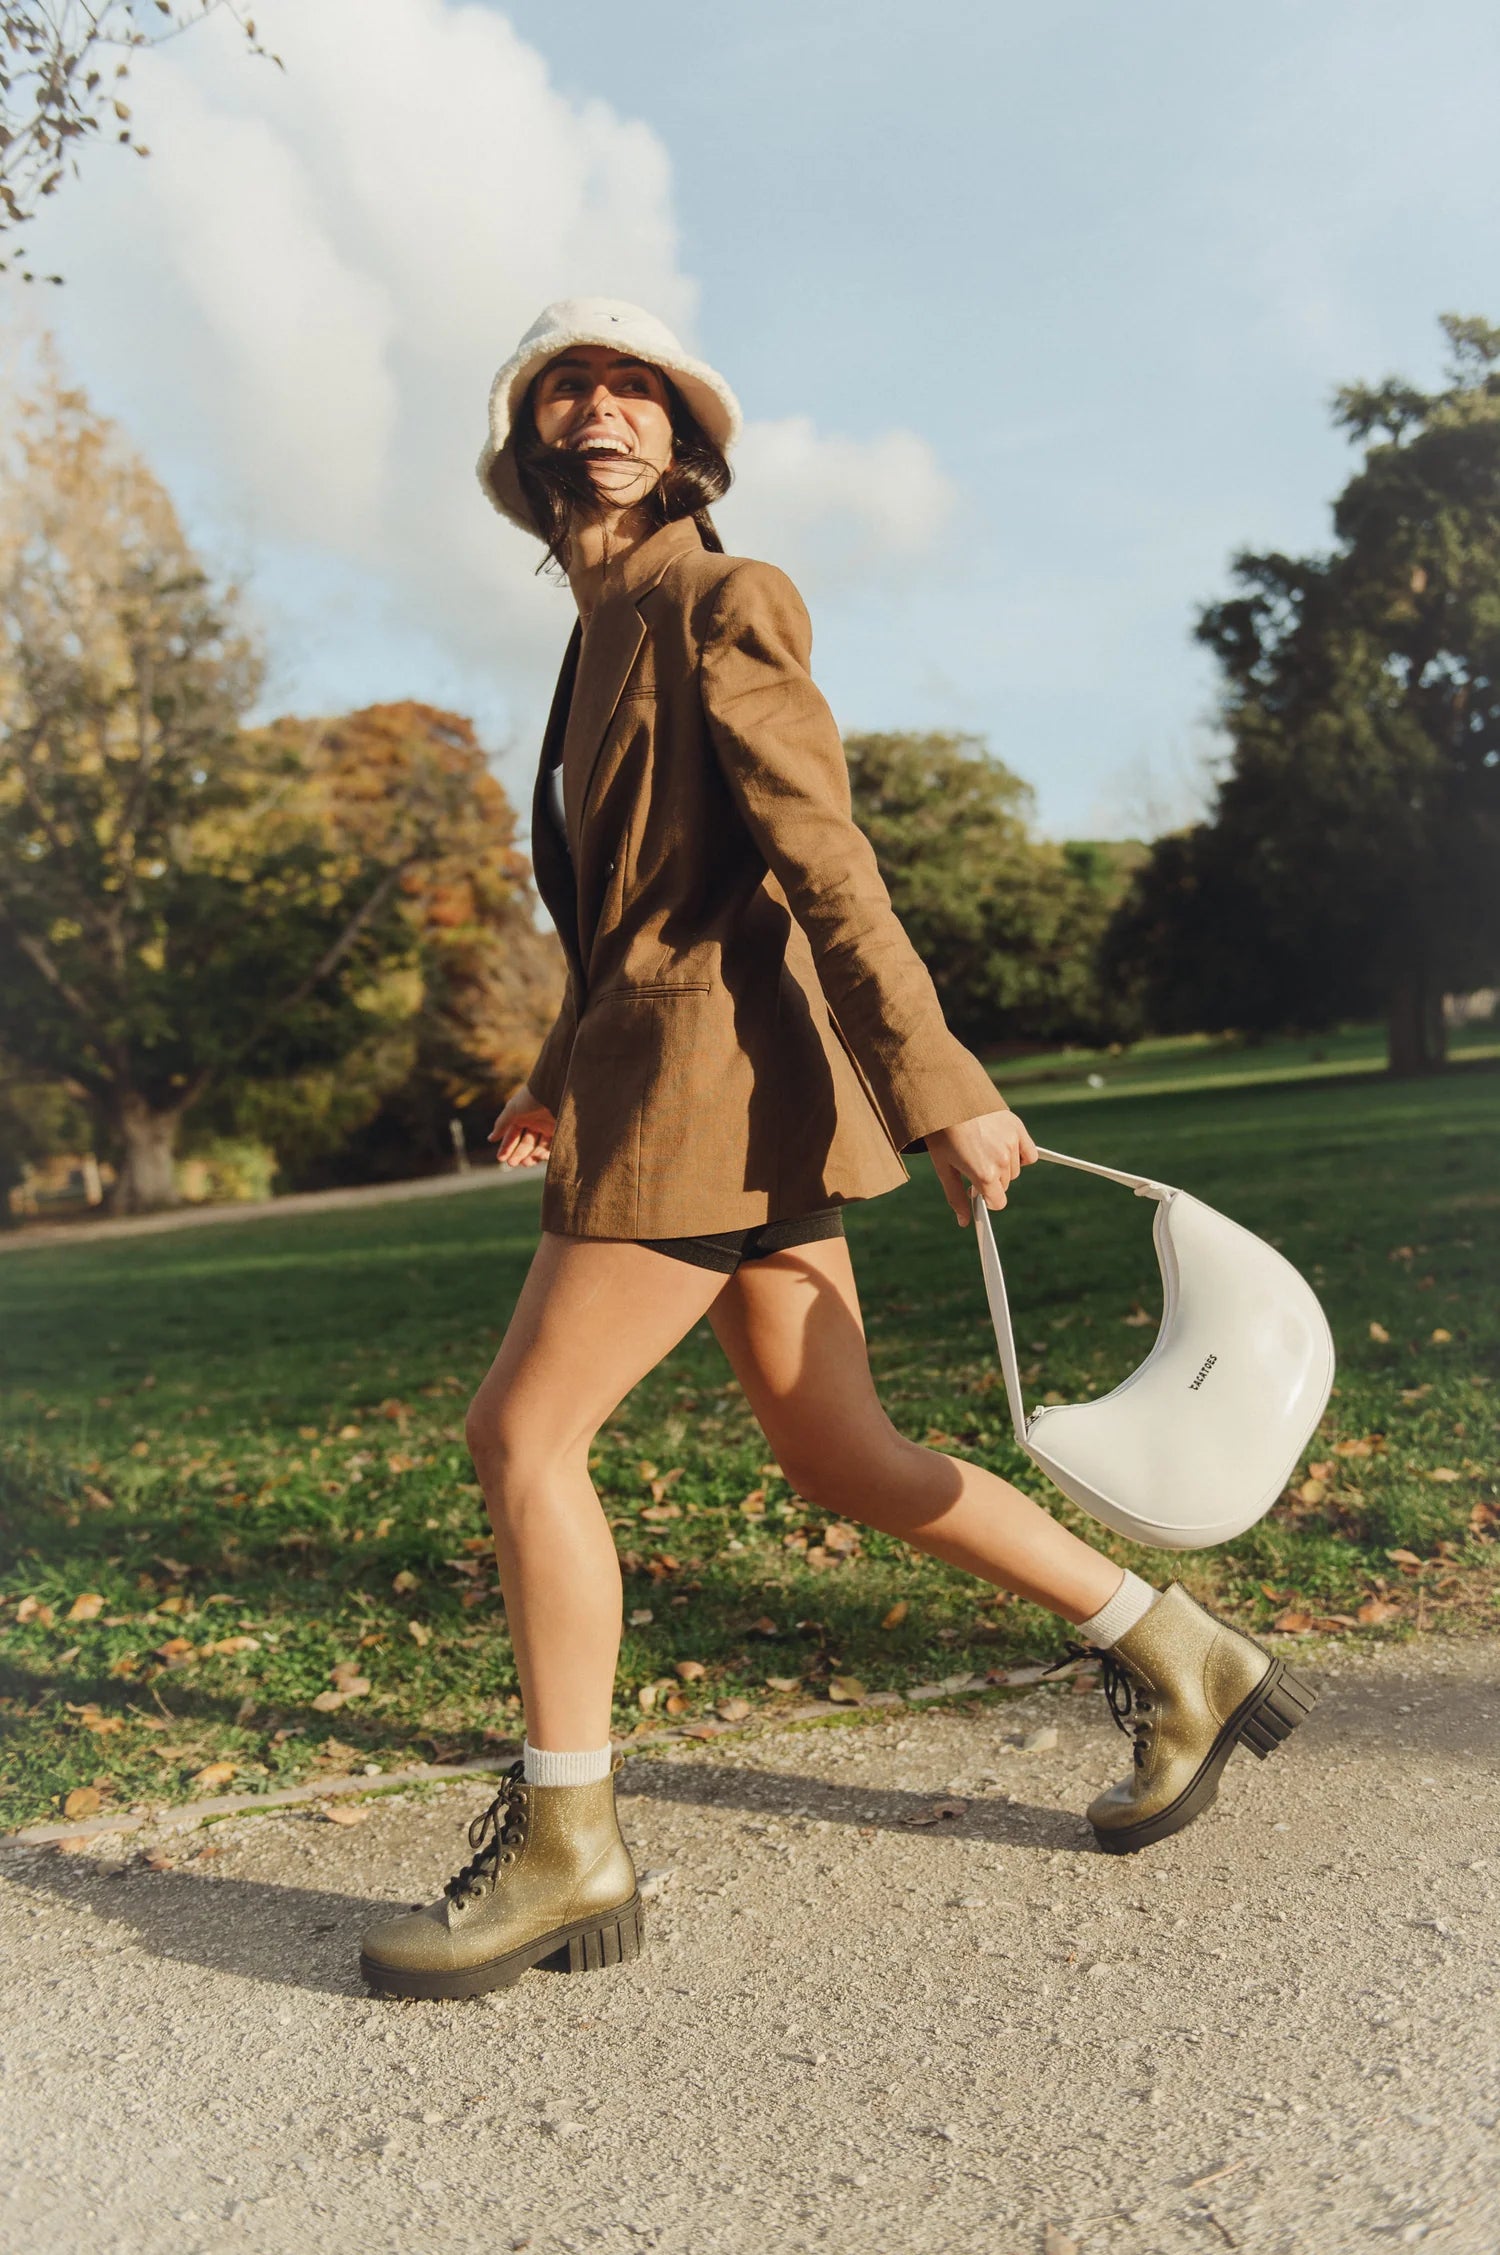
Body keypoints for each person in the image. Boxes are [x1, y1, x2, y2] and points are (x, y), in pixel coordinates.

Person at [358, 299, 1313, 2002]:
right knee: (845, 1456)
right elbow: (639, 914)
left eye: (635, 388)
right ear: (526, 442)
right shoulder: (592, 638)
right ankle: (1182, 1652)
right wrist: (555, 1067)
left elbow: (824, 861)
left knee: (523, 1436)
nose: (601, 408)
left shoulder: (725, 599)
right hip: (683, 1083)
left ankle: (570, 1846)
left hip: (710, 1097)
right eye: (570, 387)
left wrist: (939, 1083)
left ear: (683, 441)